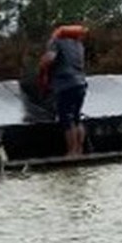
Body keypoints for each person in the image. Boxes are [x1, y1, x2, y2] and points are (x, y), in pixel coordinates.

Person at [39, 24, 90, 158]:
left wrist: (42, 63)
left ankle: (71, 152)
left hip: (65, 85)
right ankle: (79, 151)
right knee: (77, 117)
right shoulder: (78, 44)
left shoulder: (56, 42)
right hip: (81, 84)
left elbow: (50, 58)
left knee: (66, 119)